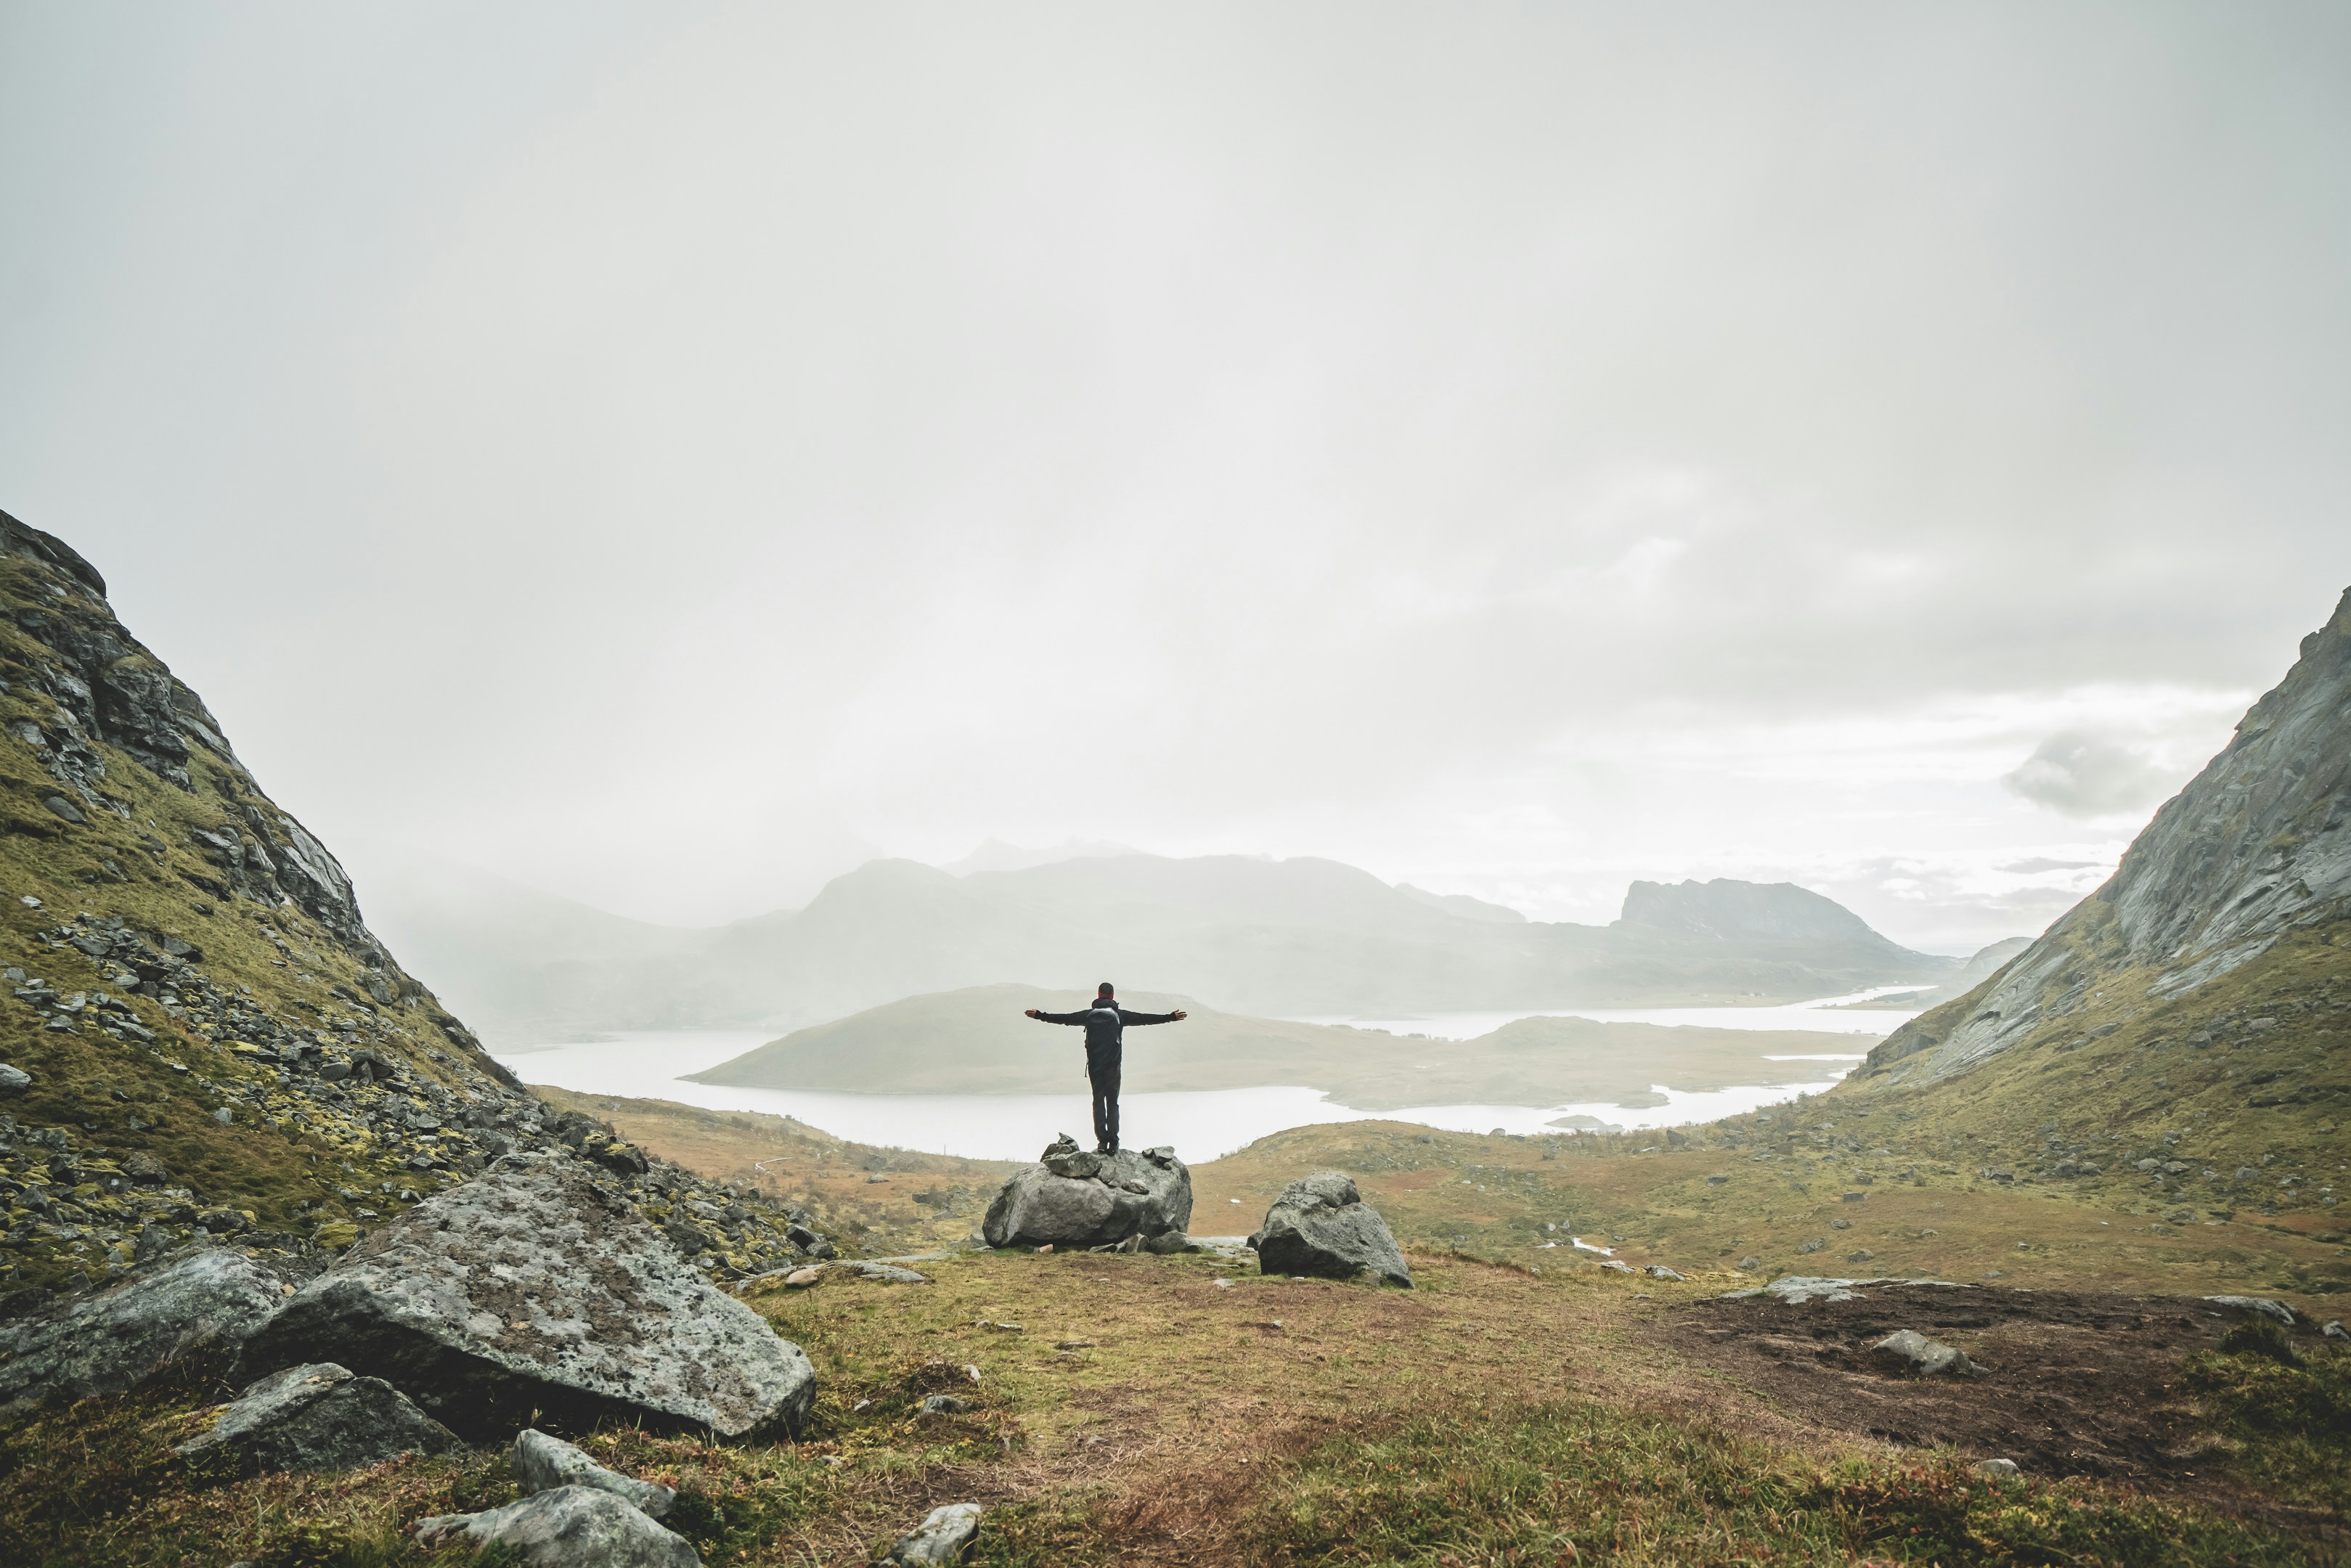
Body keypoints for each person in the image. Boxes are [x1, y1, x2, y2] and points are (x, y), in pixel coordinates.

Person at [1024, 983, 1187, 1153]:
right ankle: (1114, 1143)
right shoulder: (1120, 1015)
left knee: (1098, 1102)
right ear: (1112, 996)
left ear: (1098, 994)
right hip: (1113, 1067)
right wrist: (1170, 1017)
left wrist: (1040, 1016)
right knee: (1112, 1103)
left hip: (1095, 1066)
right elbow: (1144, 1019)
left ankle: (1102, 1142)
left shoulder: (1088, 1015)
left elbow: (1064, 1018)